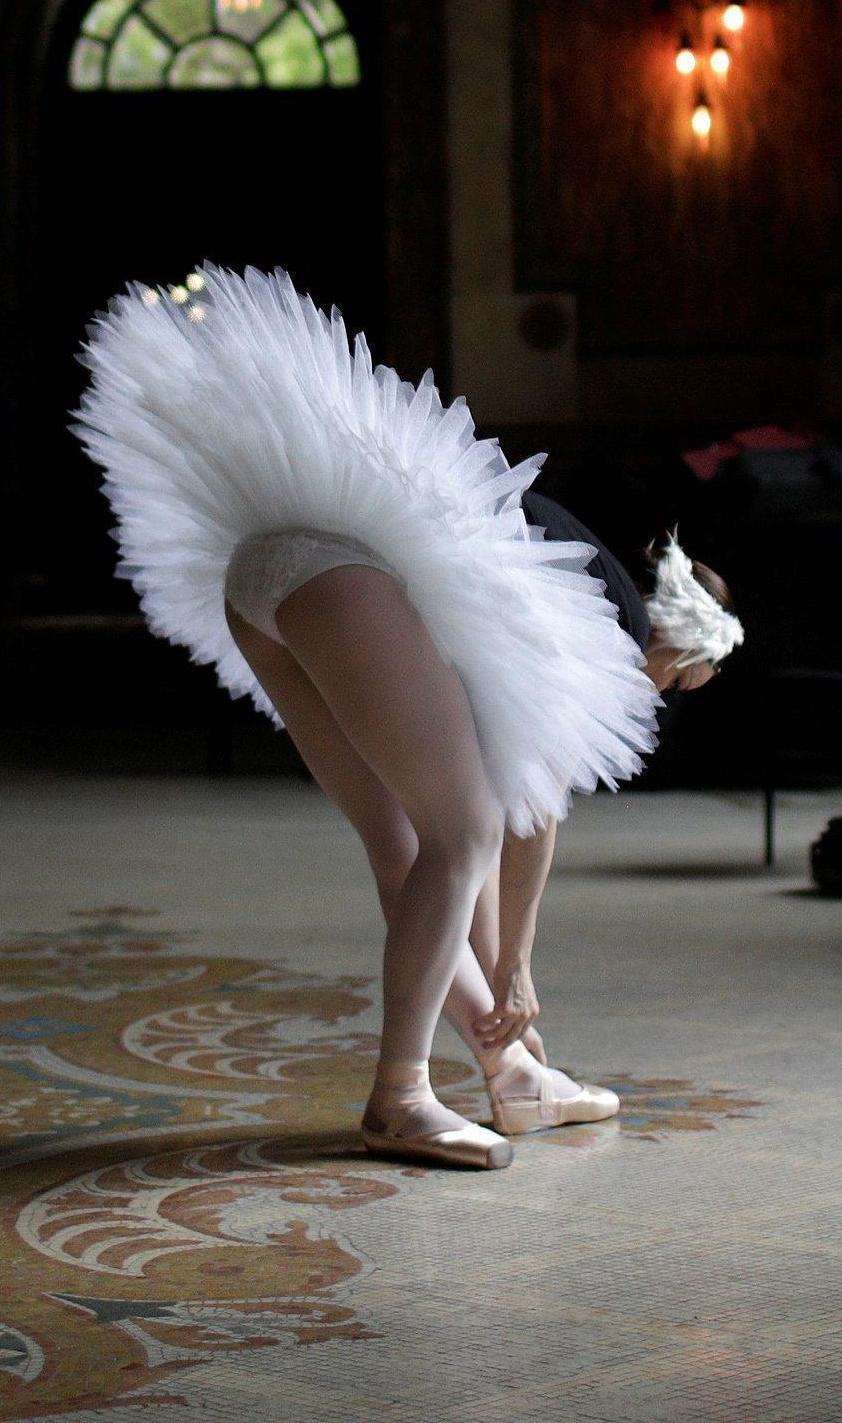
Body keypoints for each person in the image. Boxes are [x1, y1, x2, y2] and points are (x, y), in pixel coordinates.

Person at [76, 266, 745, 1170]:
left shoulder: (573, 570)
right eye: (679, 680)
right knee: (462, 833)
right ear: (673, 644)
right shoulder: (613, 622)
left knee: (409, 843)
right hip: (333, 578)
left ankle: (510, 1077)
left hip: (263, 578)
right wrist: (516, 960)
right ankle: (400, 1098)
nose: (660, 697)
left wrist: (505, 979)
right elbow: (531, 811)